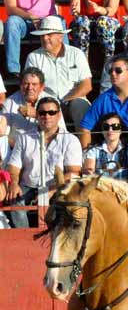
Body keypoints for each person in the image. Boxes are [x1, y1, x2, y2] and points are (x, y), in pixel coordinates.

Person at [4, 97, 82, 228]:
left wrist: (51, 190)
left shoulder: (71, 140)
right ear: (37, 116)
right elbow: (13, 169)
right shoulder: (24, 138)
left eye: (51, 112)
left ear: (59, 115)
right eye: (42, 113)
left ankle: (57, 236)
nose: (47, 116)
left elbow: (74, 173)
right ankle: (24, 237)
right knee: (14, 198)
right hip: (28, 186)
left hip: (57, 187)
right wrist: (14, 184)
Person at [78, 57, 128, 161]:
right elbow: (85, 127)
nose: (113, 74)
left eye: (118, 71)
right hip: (111, 153)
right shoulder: (103, 99)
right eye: (110, 71)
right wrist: (86, 157)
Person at [25, 15, 92, 130]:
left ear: (61, 36)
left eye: (49, 34)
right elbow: (30, 87)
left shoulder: (76, 54)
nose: (45, 38)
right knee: (45, 109)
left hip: (73, 100)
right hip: (45, 102)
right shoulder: (33, 57)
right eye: (42, 35)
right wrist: (53, 104)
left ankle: (85, 147)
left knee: (81, 106)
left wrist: (65, 100)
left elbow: (86, 85)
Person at [2, 68, 66, 142]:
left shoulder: (52, 102)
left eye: (34, 84)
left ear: (42, 87)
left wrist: (37, 115)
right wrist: (21, 146)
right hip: (17, 147)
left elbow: (62, 131)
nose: (30, 88)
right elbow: (3, 135)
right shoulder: (9, 103)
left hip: (47, 146)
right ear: (20, 85)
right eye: (26, 83)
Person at [4, 0, 57, 78]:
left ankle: (65, 65)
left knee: (60, 22)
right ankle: (13, 71)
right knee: (12, 22)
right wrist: (30, 16)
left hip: (47, 20)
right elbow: (10, 8)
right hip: (23, 21)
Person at [69, 0, 121, 69]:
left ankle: (109, 64)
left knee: (103, 21)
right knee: (81, 21)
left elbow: (111, 10)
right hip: (86, 22)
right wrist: (75, 10)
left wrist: (98, 9)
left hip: (108, 20)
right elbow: (76, 8)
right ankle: (83, 66)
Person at [82, 113, 128, 180]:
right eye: (106, 127)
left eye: (115, 126)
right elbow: (88, 174)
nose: (110, 130)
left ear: (121, 130)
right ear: (102, 131)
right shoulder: (93, 150)